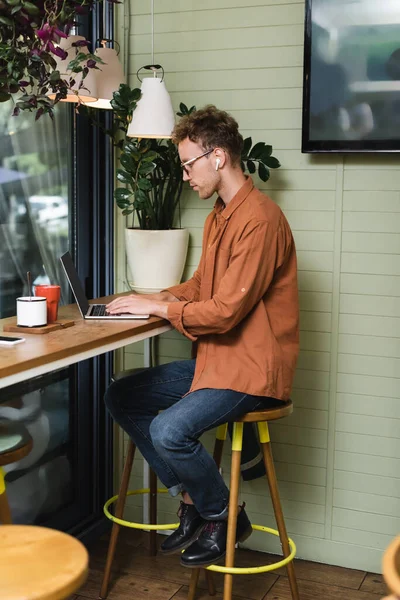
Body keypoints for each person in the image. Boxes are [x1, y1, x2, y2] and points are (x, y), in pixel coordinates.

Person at [105, 105, 299, 568]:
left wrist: (157, 307)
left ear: (217, 157)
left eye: (189, 163)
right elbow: (201, 289)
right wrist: (146, 297)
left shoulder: (261, 221)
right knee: (122, 395)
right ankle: (195, 500)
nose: (186, 174)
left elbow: (226, 311)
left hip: (250, 370)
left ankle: (223, 516)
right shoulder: (219, 216)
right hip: (215, 363)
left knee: (169, 429)